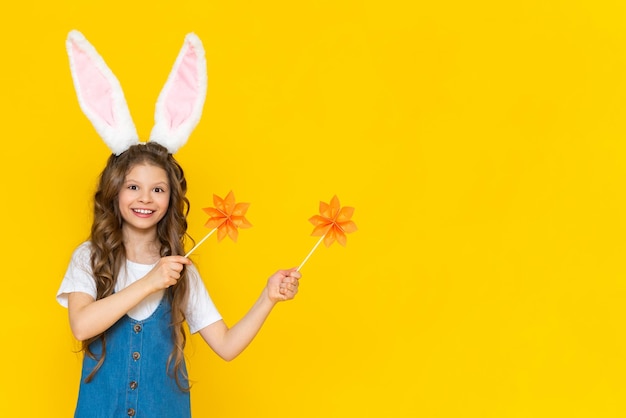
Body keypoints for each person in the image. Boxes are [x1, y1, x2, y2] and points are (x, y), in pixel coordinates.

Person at [57, 31, 301, 417]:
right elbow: (82, 325)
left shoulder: (180, 271)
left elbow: (226, 346)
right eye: (133, 187)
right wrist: (150, 281)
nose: (145, 198)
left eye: (158, 190)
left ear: (171, 199)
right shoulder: (90, 257)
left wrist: (268, 297)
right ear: (115, 191)